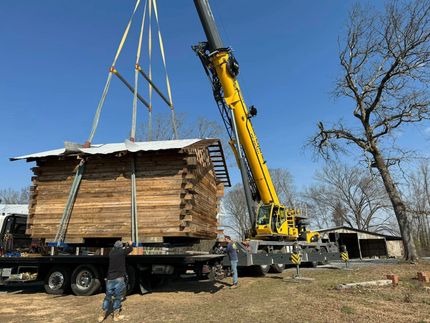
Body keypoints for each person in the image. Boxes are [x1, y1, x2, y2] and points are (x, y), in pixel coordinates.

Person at [98, 240, 133, 322]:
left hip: (110, 278)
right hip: (119, 278)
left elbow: (117, 249)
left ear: (114, 246)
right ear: (121, 247)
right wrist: (130, 244)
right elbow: (130, 249)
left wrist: (123, 246)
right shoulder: (122, 252)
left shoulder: (111, 253)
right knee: (117, 297)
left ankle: (102, 314)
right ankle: (116, 316)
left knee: (108, 297)